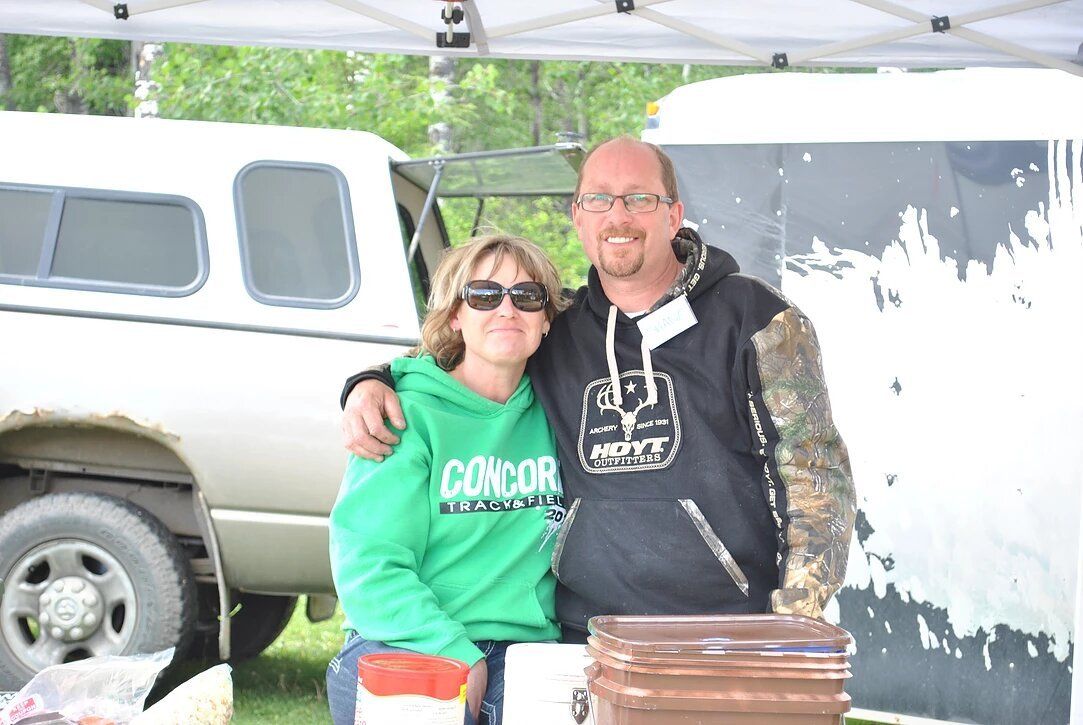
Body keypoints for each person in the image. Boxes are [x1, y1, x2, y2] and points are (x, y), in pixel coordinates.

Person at [341, 136, 857, 641]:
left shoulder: (758, 319)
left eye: (639, 198)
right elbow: (468, 347)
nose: (618, 216)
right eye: (599, 199)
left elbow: (817, 473)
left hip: (724, 630)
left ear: (673, 215)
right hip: (584, 635)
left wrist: (794, 620)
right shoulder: (558, 327)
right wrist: (370, 381)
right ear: (578, 216)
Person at [325, 235, 567, 725]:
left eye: (526, 296)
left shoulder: (566, 410)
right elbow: (369, 564)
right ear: (456, 315)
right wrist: (454, 650)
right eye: (483, 294)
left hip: (530, 649)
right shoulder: (405, 413)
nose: (507, 309)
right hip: (409, 639)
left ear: (545, 318)